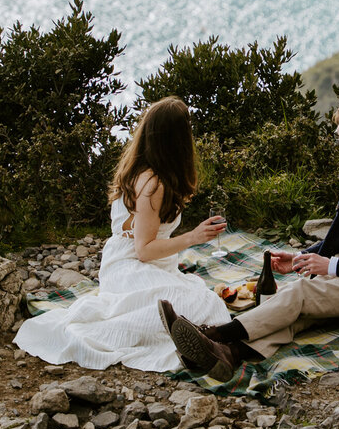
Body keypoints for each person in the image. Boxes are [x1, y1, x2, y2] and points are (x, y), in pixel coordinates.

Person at [160, 102, 339, 377]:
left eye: (338, 136)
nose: (337, 141)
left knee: (302, 295)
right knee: (299, 311)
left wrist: (330, 267)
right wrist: (302, 258)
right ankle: (229, 354)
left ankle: (213, 334)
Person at [14, 96, 230, 372]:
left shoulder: (142, 169)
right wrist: (193, 237)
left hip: (135, 262)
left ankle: (190, 337)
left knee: (203, 302)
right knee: (206, 306)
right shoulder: (154, 183)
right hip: (131, 266)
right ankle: (182, 342)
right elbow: (144, 250)